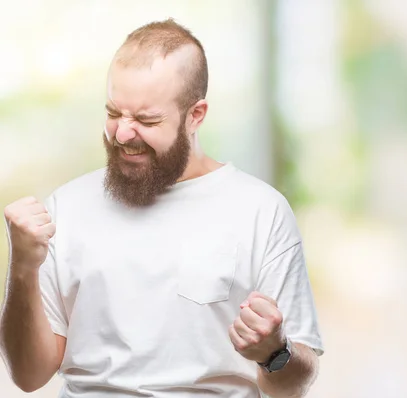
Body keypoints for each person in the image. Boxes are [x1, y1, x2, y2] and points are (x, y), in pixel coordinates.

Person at [0, 19, 324, 398]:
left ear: (196, 115)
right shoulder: (65, 208)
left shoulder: (261, 211)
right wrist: (22, 264)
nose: (122, 133)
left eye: (145, 119)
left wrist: (274, 352)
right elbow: (28, 376)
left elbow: (293, 387)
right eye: (113, 113)